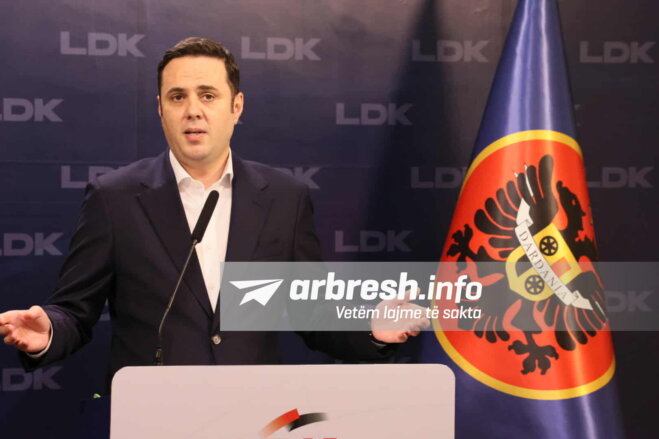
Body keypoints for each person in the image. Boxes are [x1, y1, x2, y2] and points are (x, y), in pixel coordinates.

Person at [0, 37, 426, 379]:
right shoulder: (114, 197)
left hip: (257, 415)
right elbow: (76, 311)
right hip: (154, 415)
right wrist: (48, 332)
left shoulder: (285, 197)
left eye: (208, 95)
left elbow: (310, 311)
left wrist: (370, 330)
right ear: (160, 109)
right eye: (177, 97)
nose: (193, 111)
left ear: (236, 107)